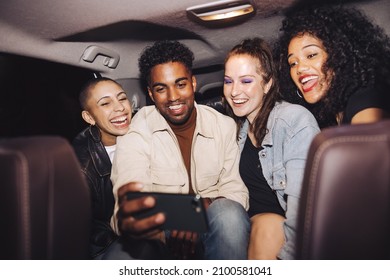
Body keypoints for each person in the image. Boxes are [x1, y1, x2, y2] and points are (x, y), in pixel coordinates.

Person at [108, 40, 250, 260]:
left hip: (213, 223)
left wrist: (204, 206)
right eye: (161, 89)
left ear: (193, 83)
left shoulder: (224, 126)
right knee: (120, 255)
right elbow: (131, 202)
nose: (173, 97)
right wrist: (186, 214)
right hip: (161, 231)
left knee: (229, 215)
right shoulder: (135, 132)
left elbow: (236, 191)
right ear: (151, 94)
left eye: (180, 84)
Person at [223, 37, 320, 259]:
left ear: (267, 84)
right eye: (229, 81)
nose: (234, 91)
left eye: (246, 81)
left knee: (269, 224)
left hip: (277, 234)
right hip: (247, 228)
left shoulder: (293, 120)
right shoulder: (236, 130)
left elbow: (305, 210)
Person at [276, 4, 390, 129]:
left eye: (311, 55)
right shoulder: (328, 115)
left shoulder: (365, 96)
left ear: (340, 55)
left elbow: (368, 142)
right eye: (293, 63)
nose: (300, 68)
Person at [72, 77, 132, 259]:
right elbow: (83, 233)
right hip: (108, 247)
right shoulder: (80, 167)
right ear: (89, 117)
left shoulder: (148, 135)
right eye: (105, 103)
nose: (120, 108)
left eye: (122, 98)